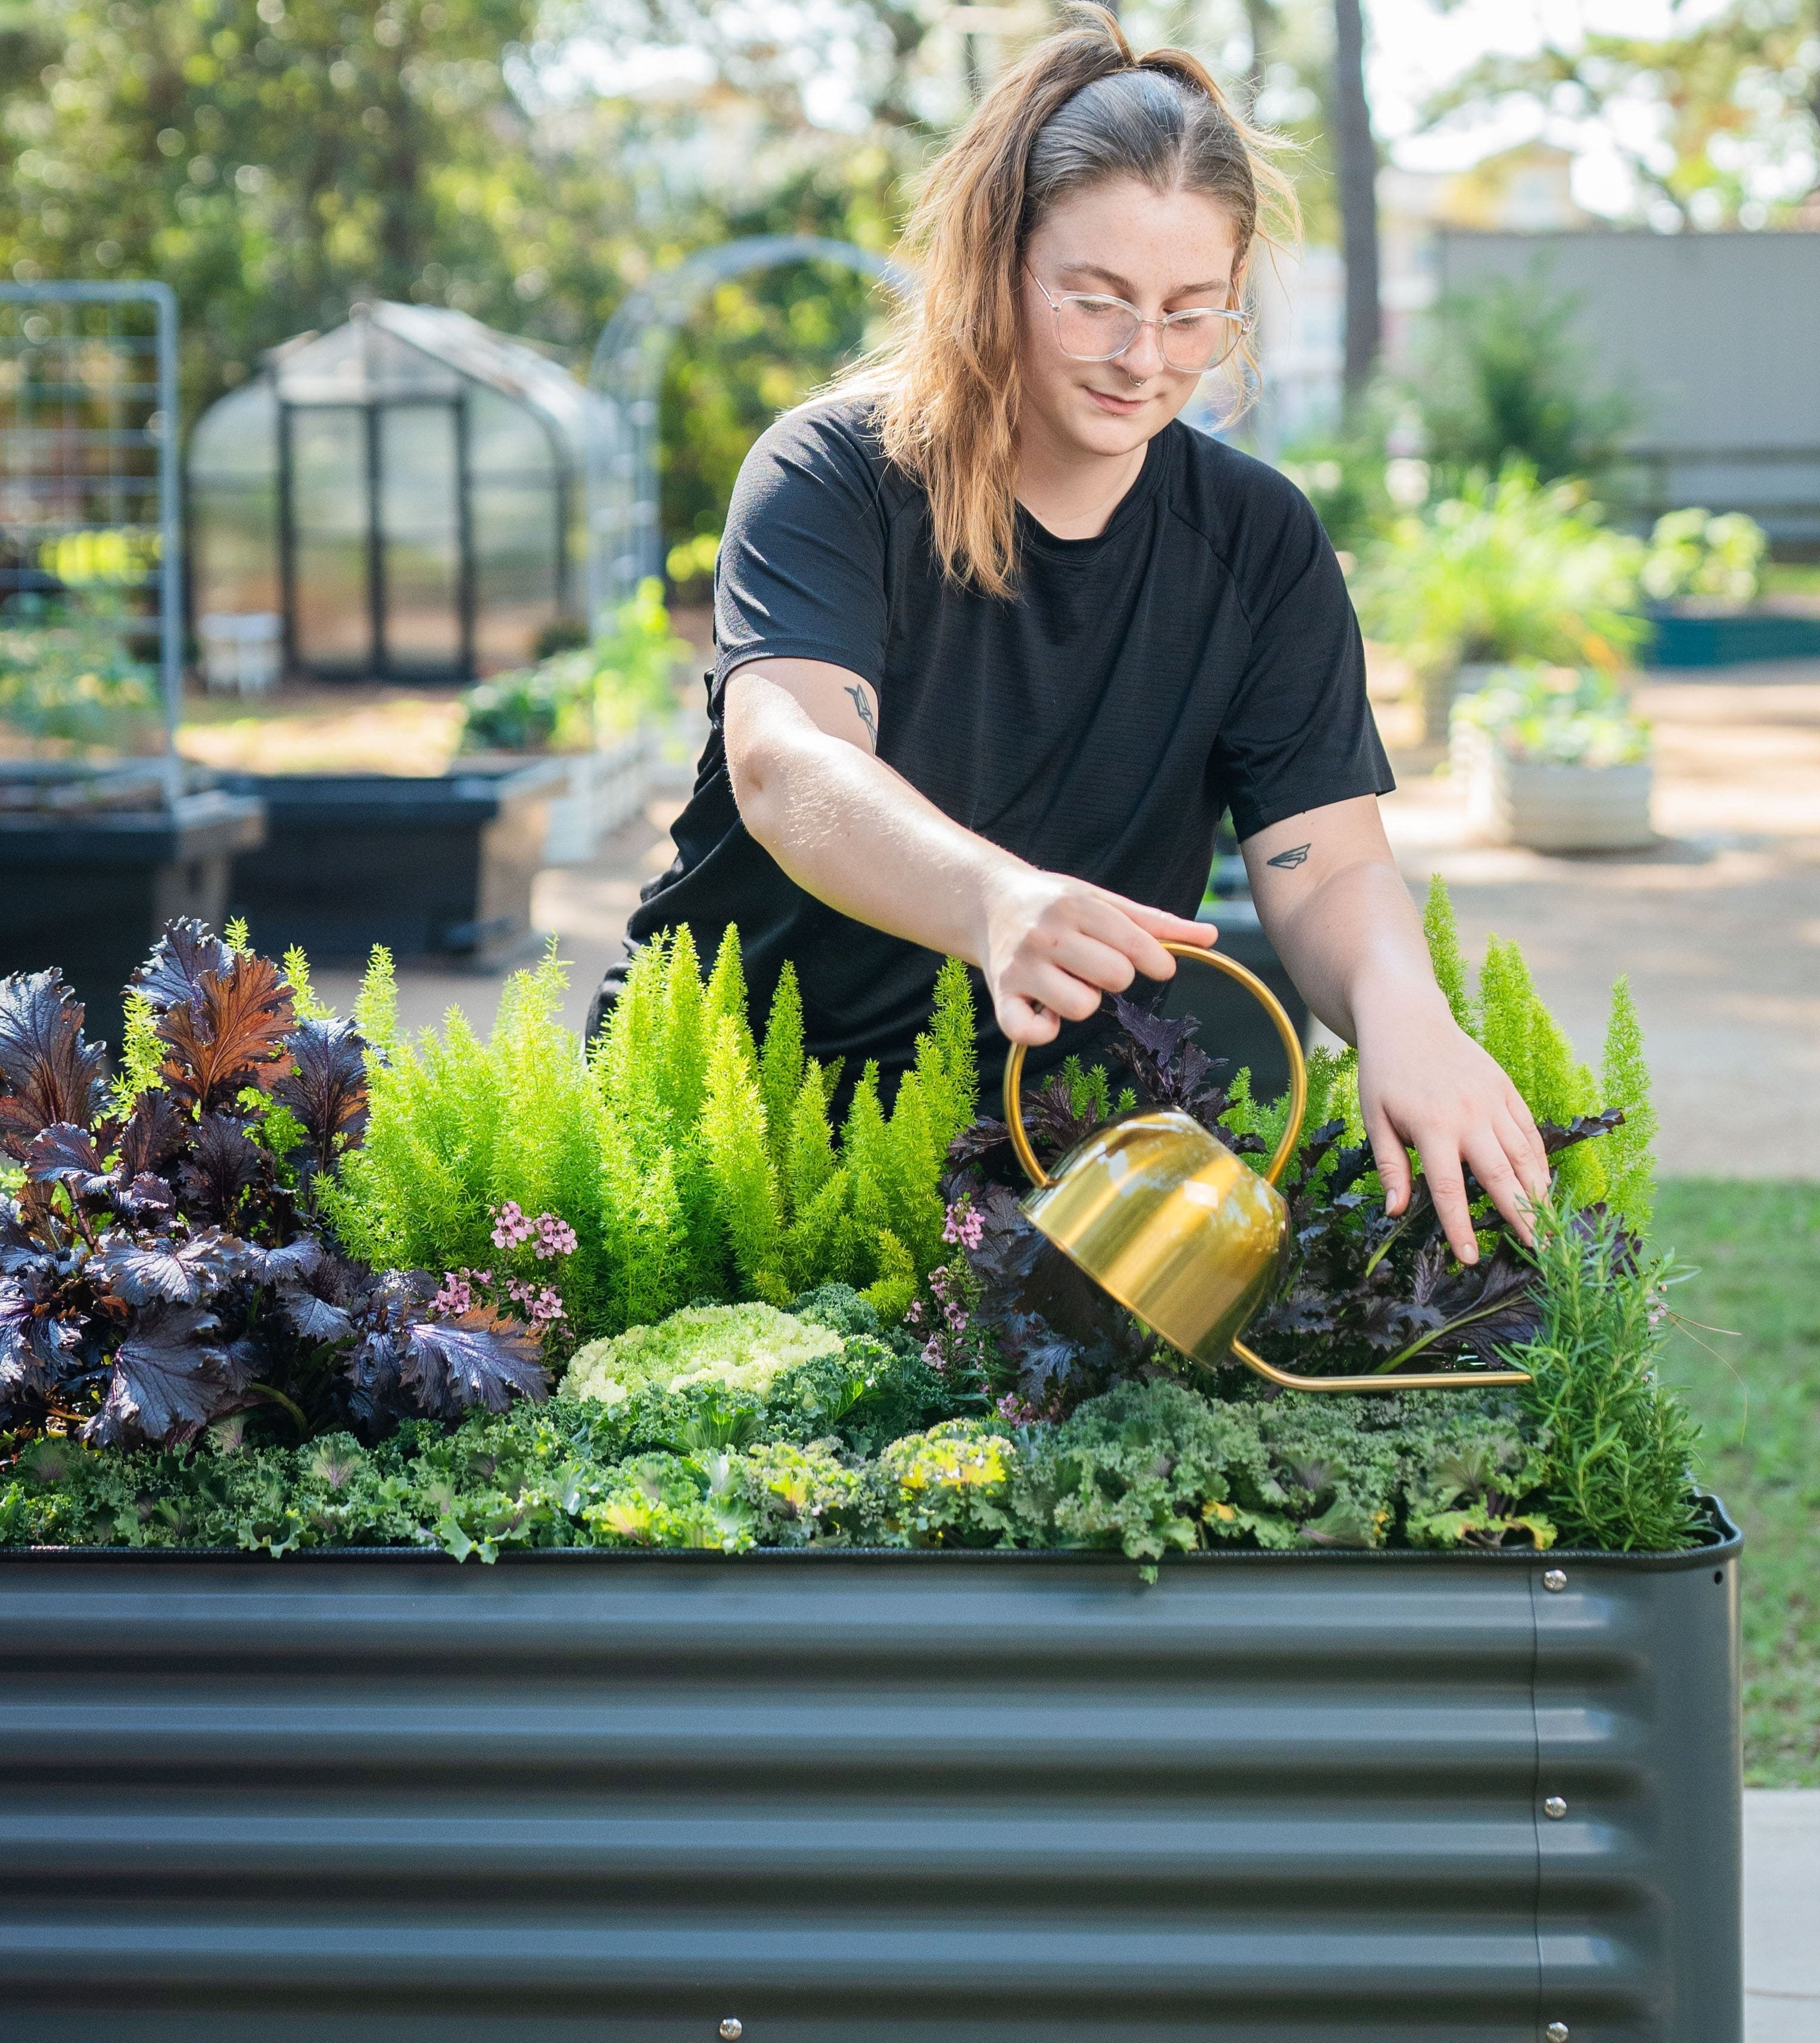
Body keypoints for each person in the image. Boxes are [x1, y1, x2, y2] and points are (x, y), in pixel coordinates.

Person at [590, 5, 1545, 1265]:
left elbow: (1327, 860)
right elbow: (786, 762)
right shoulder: (834, 474)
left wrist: (1399, 1004)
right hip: (726, 1131)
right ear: (999, 270)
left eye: (1192, 312)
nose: (1143, 357)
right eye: (1094, 300)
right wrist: (996, 900)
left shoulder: (1256, 540)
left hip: (1058, 1159)